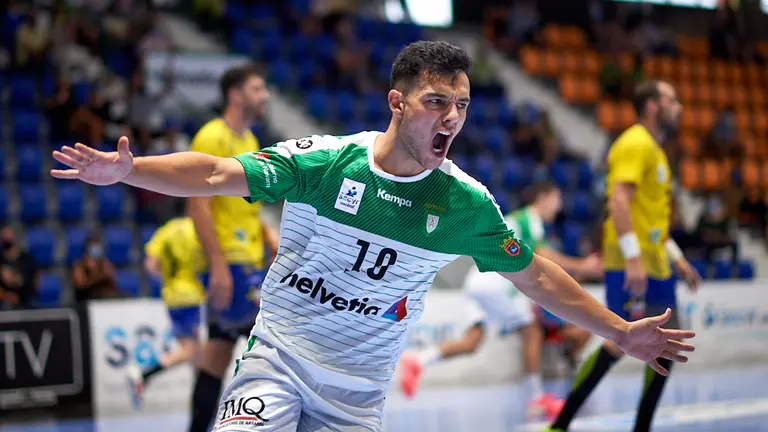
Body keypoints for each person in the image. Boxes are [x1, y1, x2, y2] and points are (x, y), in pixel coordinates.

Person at [51, 41, 695, 432]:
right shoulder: (327, 164)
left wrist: (617, 330)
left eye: (462, 105)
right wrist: (132, 170)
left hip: (356, 397)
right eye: (436, 102)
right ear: (397, 102)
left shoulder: (464, 202)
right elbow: (218, 172)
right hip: (277, 361)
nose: (452, 117)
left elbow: (534, 273)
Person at [546, 80, 702, 432]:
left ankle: (607, 426)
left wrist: (676, 258)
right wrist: (633, 259)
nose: (679, 107)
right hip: (636, 266)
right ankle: (561, 425)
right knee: (623, 342)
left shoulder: (656, 151)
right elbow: (618, 202)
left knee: (663, 346)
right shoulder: (635, 143)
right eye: (672, 100)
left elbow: (652, 219)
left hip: (655, 264)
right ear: (651, 105)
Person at [398, 181, 601, 417]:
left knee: (472, 341)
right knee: (531, 329)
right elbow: (542, 255)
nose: (558, 207)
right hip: (494, 282)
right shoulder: (529, 218)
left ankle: (418, 360)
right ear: (543, 198)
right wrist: (583, 266)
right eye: (556, 199)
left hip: (476, 281)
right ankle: (536, 399)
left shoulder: (519, 220)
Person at [185, 64, 279, 432]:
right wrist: (219, 266)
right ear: (235, 94)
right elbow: (198, 205)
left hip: (250, 259)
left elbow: (243, 205)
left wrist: (265, 231)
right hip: (231, 263)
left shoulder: (250, 141)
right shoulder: (212, 137)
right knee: (271, 347)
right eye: (258, 89)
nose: (265, 96)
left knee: (218, 352)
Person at [127, 217, 207, 408]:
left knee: (196, 356)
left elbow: (151, 264)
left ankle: (206, 405)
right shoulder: (195, 227)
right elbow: (207, 260)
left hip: (171, 295)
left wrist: (168, 276)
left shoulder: (164, 231)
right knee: (191, 351)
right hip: (191, 295)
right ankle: (144, 374)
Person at [71, 235, 120, 302]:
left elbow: (113, 281)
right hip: (87, 298)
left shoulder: (105, 263)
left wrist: (107, 274)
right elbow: (80, 285)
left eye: (98, 246)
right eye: (93, 247)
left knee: (123, 297)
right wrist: (95, 274)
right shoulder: (79, 265)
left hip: (106, 295)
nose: (96, 249)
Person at [0, 224, 38, 309]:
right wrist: (5, 295)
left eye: (9, 234)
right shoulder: (1, 260)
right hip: (4, 305)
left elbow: (35, 283)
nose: (6, 237)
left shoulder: (26, 259)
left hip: (25, 301)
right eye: (4, 235)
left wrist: (18, 280)